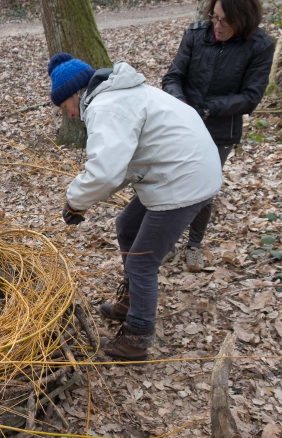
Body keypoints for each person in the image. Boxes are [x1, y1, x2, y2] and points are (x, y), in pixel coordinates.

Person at [48, 53, 222, 361]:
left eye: (66, 108)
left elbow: (105, 170)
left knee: (143, 261)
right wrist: (83, 201)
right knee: (126, 226)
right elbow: (125, 164)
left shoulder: (106, 107)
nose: (70, 116)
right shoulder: (121, 95)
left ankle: (137, 338)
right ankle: (131, 300)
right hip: (180, 171)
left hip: (183, 180)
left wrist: (75, 202)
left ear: (76, 94)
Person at [162, 0, 274, 271]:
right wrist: (184, 106)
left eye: (225, 21)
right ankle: (166, 241)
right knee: (168, 180)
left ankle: (194, 245)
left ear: (243, 20)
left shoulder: (260, 45)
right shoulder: (195, 34)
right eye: (215, 17)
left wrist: (209, 110)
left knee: (204, 189)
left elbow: (250, 97)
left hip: (221, 129)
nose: (218, 25)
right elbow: (172, 77)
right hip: (183, 123)